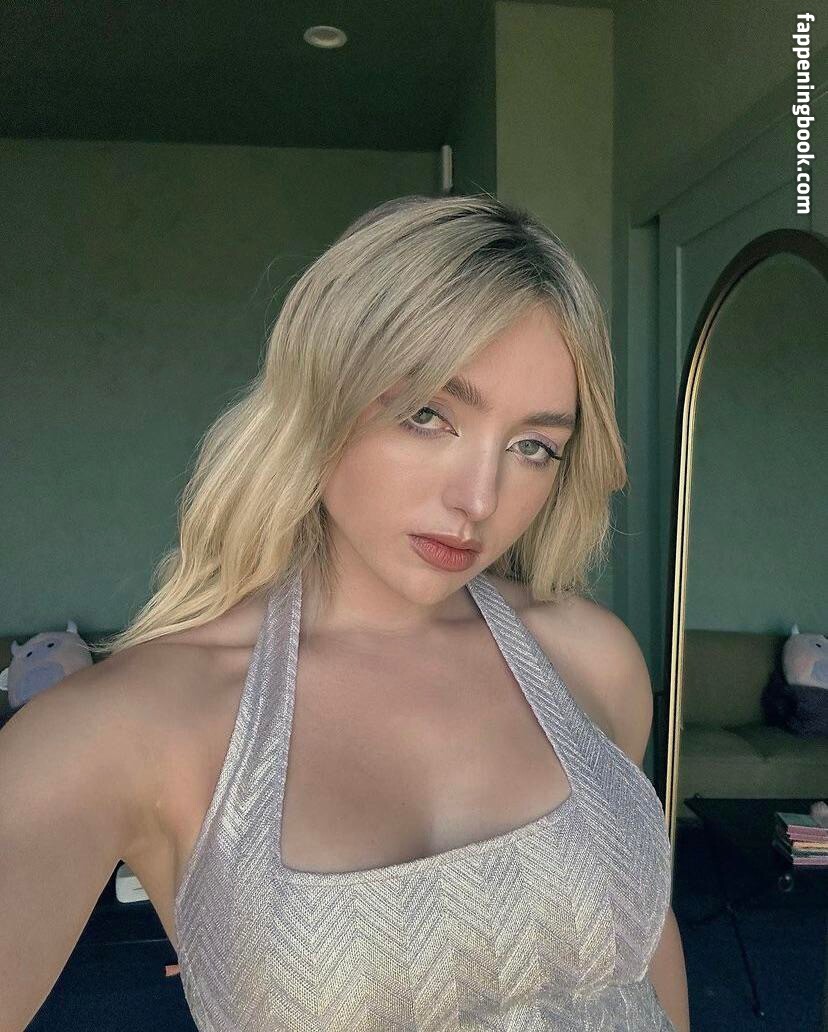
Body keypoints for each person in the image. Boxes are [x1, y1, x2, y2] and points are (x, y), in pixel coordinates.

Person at [1, 193, 690, 1032]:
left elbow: (642, 949)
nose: (478, 500)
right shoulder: (123, 728)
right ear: (323, 396)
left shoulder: (592, 658)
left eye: (533, 447)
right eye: (428, 414)